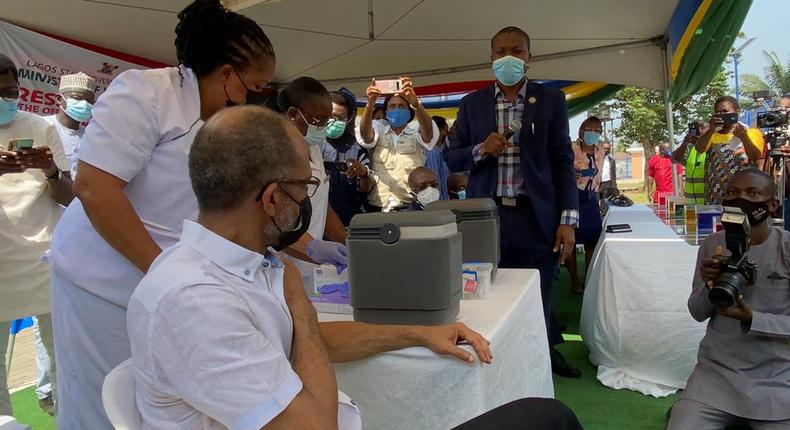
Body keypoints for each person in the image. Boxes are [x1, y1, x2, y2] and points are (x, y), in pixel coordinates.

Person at [127, 105, 583, 430]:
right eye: (305, 186)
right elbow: (313, 422)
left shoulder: (237, 266)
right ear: (270, 198)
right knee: (549, 418)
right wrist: (300, 307)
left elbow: (305, 341)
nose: (308, 200)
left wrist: (416, 333)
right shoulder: (194, 300)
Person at [46, 1, 276, 427]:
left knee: (153, 405)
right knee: (101, 406)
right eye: (257, 87)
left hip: (157, 285)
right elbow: (95, 188)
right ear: (227, 75)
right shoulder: (147, 93)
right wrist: (164, 272)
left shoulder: (216, 125)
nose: (258, 98)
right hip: (98, 282)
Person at [443, 26, 580, 378]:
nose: (509, 58)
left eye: (517, 51)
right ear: (491, 58)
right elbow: (452, 157)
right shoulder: (472, 104)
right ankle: (493, 361)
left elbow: (563, 162)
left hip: (536, 217)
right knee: (486, 293)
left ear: (529, 58)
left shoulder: (550, 101)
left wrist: (568, 220)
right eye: (501, 51)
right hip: (487, 220)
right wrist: (479, 149)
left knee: (539, 292)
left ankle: (542, 357)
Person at [667, 168, 790, 429]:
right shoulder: (713, 244)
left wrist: (751, 318)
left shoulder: (786, 249)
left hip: (777, 377)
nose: (740, 199)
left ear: (772, 205)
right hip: (716, 375)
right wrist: (710, 285)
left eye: (752, 193)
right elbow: (697, 312)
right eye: (733, 193)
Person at [0, 53, 71, 418]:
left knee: (63, 362)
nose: (5, 102)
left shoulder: (41, 127)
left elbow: (69, 198)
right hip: (1, 264)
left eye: (10, 92)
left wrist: (51, 171)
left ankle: (68, 420)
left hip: (44, 259)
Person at [277, 78, 353, 287]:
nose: (323, 128)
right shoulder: (275, 153)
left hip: (309, 267)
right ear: (293, 114)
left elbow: (320, 205)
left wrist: (349, 246)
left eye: (326, 121)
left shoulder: (313, 149)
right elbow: (275, 219)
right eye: (318, 120)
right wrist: (312, 247)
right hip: (281, 266)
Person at [360, 77, 439, 212]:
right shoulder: (378, 129)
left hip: (410, 206)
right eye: (392, 106)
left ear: (409, 113)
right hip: (378, 205)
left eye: (402, 106)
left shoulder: (416, 132)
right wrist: (369, 105)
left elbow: (428, 134)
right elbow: (366, 136)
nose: (396, 109)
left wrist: (416, 104)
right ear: (386, 112)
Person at [694, 96, 764, 204]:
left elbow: (755, 157)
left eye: (725, 111)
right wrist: (711, 129)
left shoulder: (751, 133)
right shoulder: (712, 134)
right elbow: (699, 149)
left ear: (737, 111)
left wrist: (743, 137)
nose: (722, 115)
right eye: (718, 112)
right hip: (715, 197)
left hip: (742, 196)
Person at [322, 88, 374, 226]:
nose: (335, 121)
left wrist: (363, 173)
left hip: (347, 220)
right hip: (316, 220)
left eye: (341, 118)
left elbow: (366, 188)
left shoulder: (356, 147)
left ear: (349, 119)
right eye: (331, 116)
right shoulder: (311, 143)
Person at [565, 117, 605, 295]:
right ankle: (574, 282)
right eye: (589, 129)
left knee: (592, 240)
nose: (592, 133)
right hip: (572, 197)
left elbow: (599, 176)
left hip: (591, 199)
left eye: (597, 130)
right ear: (581, 130)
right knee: (571, 240)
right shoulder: (571, 150)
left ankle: (588, 280)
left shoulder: (601, 151)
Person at [43, 72, 96, 178]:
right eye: (77, 98)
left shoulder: (91, 137)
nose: (84, 104)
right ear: (59, 99)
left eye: (89, 101)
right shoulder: (43, 126)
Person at [672, 121, 709, 204]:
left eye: (702, 128)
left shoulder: (712, 147)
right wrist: (685, 143)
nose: (699, 132)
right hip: (691, 203)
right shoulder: (690, 148)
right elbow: (674, 159)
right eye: (697, 129)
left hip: (707, 202)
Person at [425, 115, 451, 200]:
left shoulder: (441, 151)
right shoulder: (432, 152)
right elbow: (433, 181)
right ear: (442, 131)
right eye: (446, 129)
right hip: (438, 203)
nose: (448, 132)